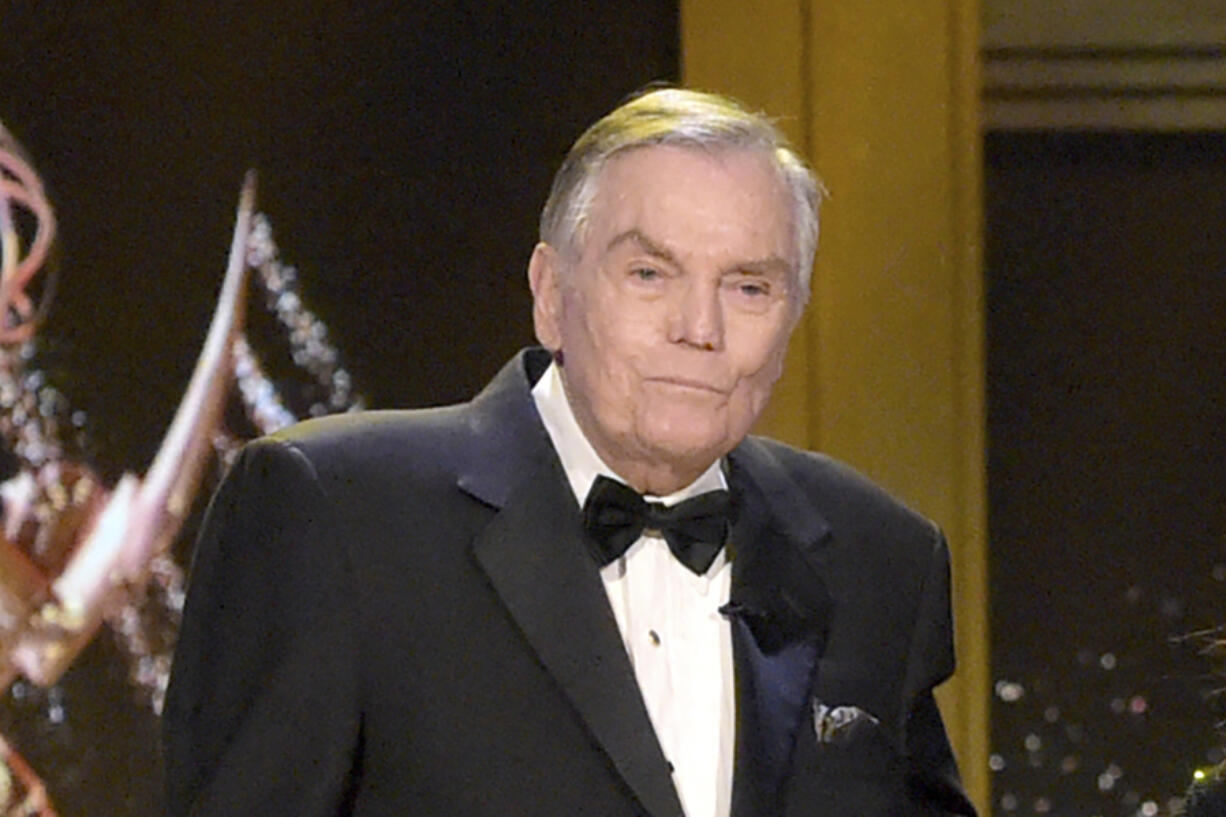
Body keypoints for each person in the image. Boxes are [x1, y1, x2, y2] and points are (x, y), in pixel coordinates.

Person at [162, 87, 977, 817]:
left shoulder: (876, 555)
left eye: (748, 287)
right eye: (651, 273)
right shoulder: (337, 511)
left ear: (792, 314)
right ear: (552, 297)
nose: (701, 328)